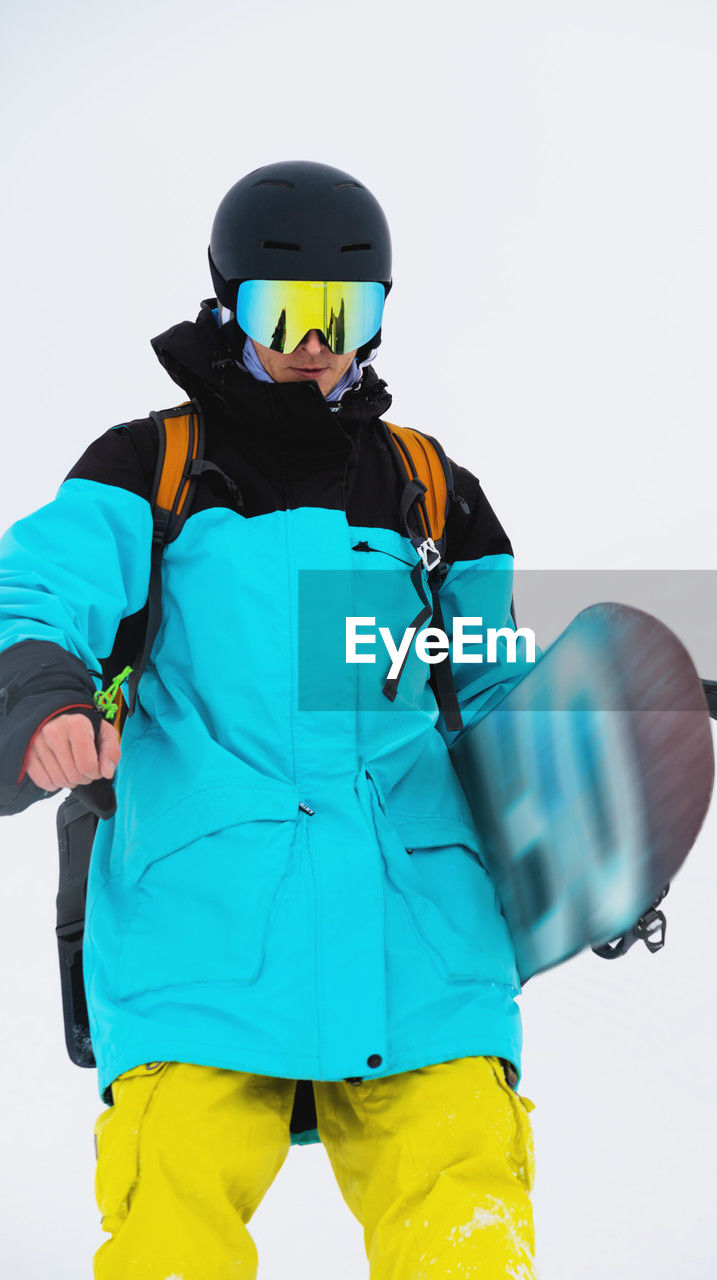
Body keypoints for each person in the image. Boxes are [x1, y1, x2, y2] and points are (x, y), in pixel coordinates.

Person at [0, 160, 536, 1279]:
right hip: (203, 932)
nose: (314, 340)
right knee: (169, 1238)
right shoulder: (152, 466)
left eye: (348, 314)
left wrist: (611, 722)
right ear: (225, 300)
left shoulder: (433, 489)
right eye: (280, 309)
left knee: (466, 1232)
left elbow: (486, 686)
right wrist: (44, 697)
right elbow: (33, 594)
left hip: (420, 943)